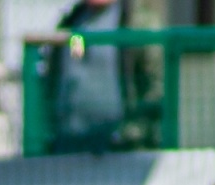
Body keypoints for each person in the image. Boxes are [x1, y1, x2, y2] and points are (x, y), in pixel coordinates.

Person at [46, 0, 163, 154]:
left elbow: (156, 86)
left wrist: (135, 131)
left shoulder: (139, 21)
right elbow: (74, 62)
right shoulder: (75, 21)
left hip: (122, 149)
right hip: (72, 143)